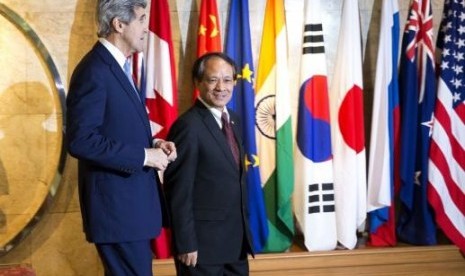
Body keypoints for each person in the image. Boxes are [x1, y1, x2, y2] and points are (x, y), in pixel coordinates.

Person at [66, 1, 176, 275]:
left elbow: (115, 130)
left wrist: (154, 145)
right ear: (119, 24)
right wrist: (144, 157)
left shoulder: (118, 68)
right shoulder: (95, 70)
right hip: (118, 212)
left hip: (131, 211)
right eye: (141, 20)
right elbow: (81, 140)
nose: (147, 28)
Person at [164, 52, 254, 276]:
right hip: (202, 250)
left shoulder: (233, 119)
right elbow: (178, 191)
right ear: (198, 82)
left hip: (235, 245)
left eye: (227, 79)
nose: (221, 87)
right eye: (213, 80)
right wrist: (185, 243)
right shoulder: (188, 127)